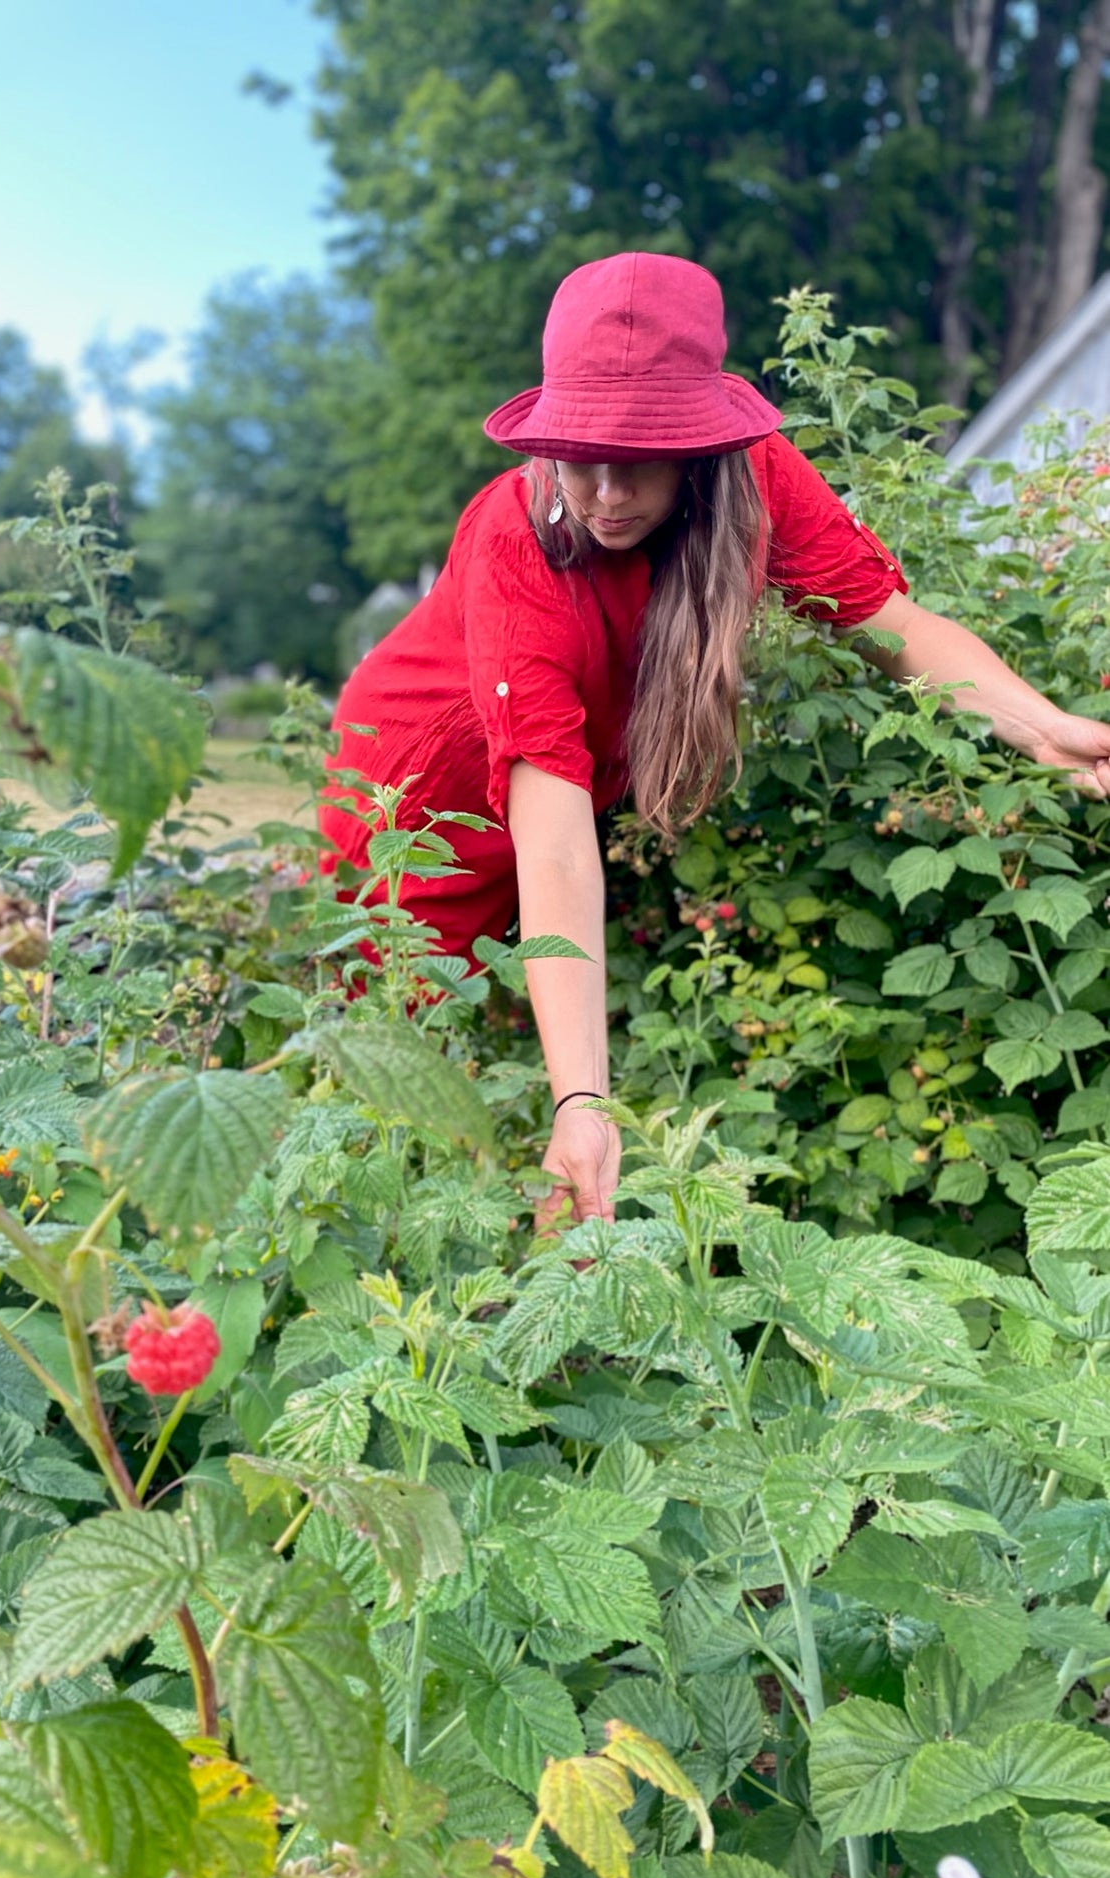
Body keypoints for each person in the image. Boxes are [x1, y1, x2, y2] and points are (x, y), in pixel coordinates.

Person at [319, 253, 1110, 1226]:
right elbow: (556, 843)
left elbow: (896, 632)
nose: (604, 493)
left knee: (521, 1055)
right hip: (412, 810)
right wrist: (581, 1103)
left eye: (637, 456)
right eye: (577, 454)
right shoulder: (512, 542)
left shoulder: (752, 479)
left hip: (546, 801)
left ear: (697, 445)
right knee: (403, 1086)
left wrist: (1045, 729)